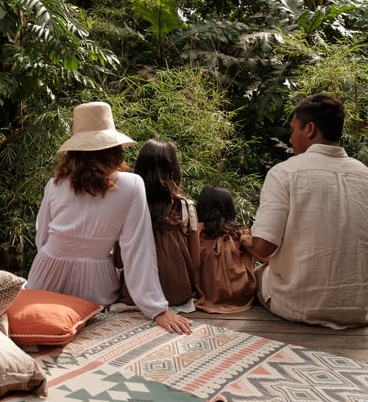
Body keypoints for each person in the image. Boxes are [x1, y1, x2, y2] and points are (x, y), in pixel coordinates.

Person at [25, 102, 192, 334]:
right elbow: (137, 248)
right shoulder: (132, 185)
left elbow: (41, 238)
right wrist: (156, 308)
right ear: (115, 148)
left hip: (44, 280)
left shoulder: (54, 184)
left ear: (74, 150)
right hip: (95, 287)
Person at [246, 93, 368, 329]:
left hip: (299, 304)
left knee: (255, 275)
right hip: (359, 308)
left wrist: (243, 240)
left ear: (310, 129)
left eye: (293, 130)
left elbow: (263, 247)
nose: (291, 139)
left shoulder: (284, 173)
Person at [126, 139, 200, 310]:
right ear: (174, 170)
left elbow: (119, 261)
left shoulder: (131, 206)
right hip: (178, 294)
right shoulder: (185, 207)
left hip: (135, 294)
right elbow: (195, 262)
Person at [194, 185, 257, 313]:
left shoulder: (195, 233)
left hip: (205, 294)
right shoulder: (238, 233)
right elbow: (264, 256)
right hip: (240, 295)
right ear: (229, 208)